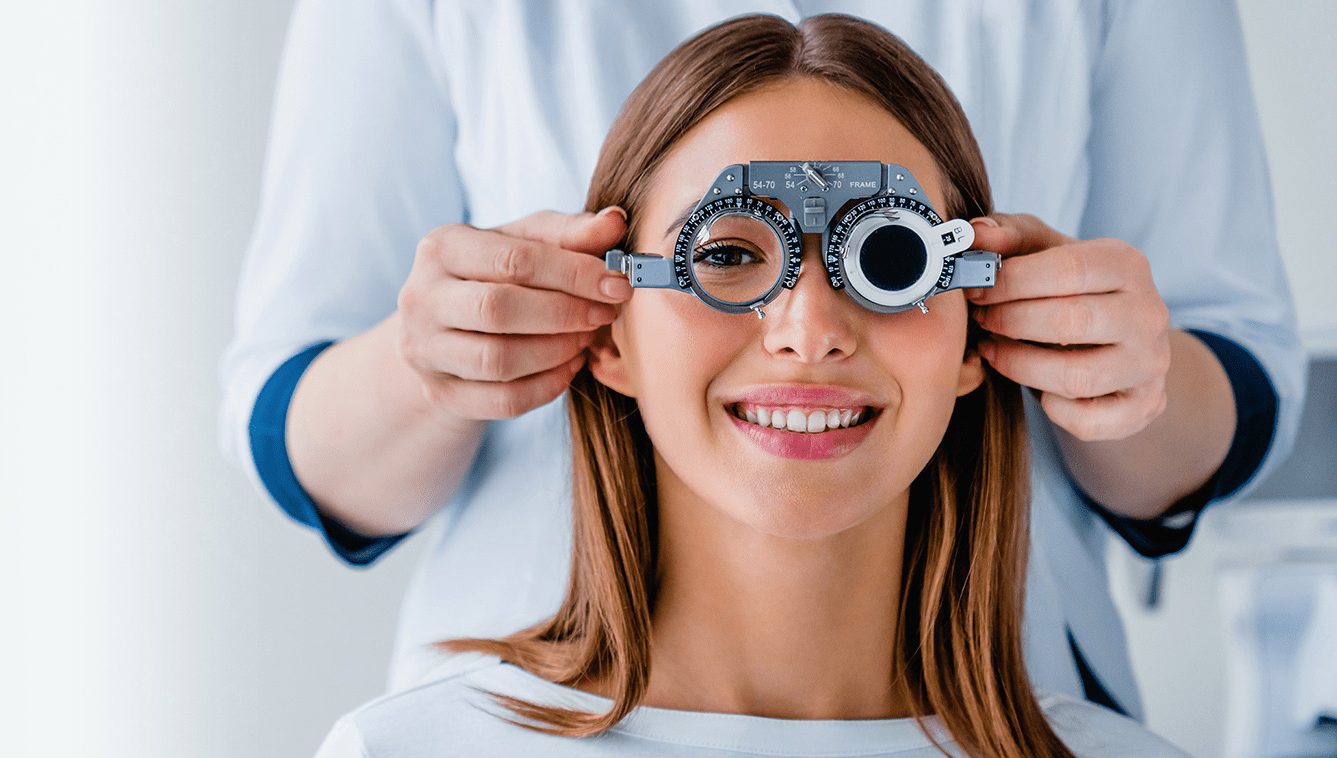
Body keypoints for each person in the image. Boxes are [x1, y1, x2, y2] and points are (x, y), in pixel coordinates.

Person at [219, 0, 1305, 720]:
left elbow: (1229, 373)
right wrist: (439, 357)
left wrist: (1118, 369)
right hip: (528, 706)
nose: (807, 326)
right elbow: (295, 424)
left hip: (999, 688)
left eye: (886, 258)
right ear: (612, 331)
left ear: (973, 332)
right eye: (730, 257)